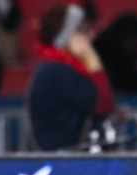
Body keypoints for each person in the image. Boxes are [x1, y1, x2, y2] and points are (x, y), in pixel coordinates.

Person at [27, 3, 114, 151]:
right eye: (84, 31)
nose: (91, 35)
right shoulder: (57, 71)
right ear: (67, 37)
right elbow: (101, 103)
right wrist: (92, 60)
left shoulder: (62, 69)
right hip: (59, 156)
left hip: (66, 152)